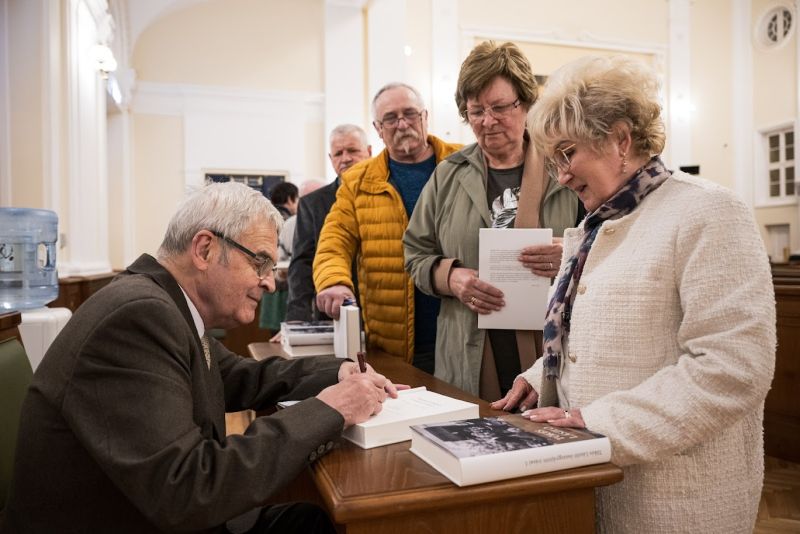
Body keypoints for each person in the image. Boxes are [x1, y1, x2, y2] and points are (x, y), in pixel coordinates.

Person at [2, 182, 400, 534]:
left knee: (315, 519)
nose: (269, 279)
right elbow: (189, 487)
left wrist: (340, 370)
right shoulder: (137, 316)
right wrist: (330, 409)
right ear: (205, 249)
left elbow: (243, 376)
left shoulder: (163, 305)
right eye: (260, 260)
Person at [491, 55, 776, 533]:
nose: (560, 175)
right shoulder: (598, 224)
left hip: (678, 497)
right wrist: (542, 373)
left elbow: (733, 367)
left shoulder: (708, 212)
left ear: (620, 139)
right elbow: (597, 333)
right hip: (598, 485)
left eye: (567, 153)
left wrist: (595, 421)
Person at [404, 41, 582, 399]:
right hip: (467, 348)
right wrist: (452, 277)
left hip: (550, 346)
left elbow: (608, 245)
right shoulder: (448, 175)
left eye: (500, 107)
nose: (487, 121)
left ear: (527, 103)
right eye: (475, 111)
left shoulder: (564, 166)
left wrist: (570, 253)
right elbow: (414, 253)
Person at [314, 83, 461, 373]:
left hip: (462, 332)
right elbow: (335, 238)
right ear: (378, 128)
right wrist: (333, 280)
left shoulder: (463, 162)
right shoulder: (358, 180)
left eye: (410, 114)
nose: (402, 123)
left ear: (425, 116)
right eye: (391, 118)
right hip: (395, 343)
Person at [285, 125, 372, 322]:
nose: (346, 158)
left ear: (369, 152)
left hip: (384, 310)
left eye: (353, 150)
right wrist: (296, 321)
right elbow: (302, 264)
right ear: (330, 159)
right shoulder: (312, 203)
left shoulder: (388, 192)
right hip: (333, 312)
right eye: (338, 153)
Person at [259, 181, 300, 332]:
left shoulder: (265, 218)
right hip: (285, 290)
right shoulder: (292, 221)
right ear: (291, 199)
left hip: (269, 285)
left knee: (274, 337)